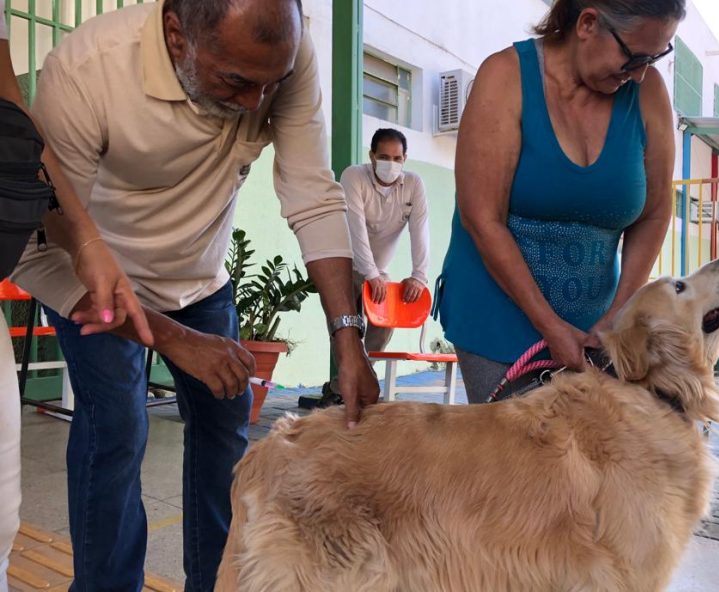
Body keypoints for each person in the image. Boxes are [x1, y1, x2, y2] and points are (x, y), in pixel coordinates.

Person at [11, 0, 380, 589]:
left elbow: (312, 194)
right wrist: (175, 339)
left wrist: (347, 337)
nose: (256, 104)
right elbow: (42, 251)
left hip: (202, 279)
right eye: (235, 82)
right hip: (98, 282)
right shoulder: (88, 72)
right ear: (177, 36)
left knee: (225, 434)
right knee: (116, 432)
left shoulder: (279, 56)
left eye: (271, 85)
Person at [436, 0, 680, 403]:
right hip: (497, 310)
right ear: (588, 23)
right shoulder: (505, 76)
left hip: (596, 322)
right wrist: (548, 324)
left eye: (654, 58)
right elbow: (482, 218)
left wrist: (616, 317)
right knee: (520, 458)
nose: (639, 74)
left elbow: (653, 214)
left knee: (589, 456)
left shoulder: (648, 90)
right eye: (633, 56)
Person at [0, 0, 153, 589]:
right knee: (117, 422)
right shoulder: (91, 63)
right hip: (65, 273)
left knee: (1, 518)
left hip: (104, 273)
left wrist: (86, 239)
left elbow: (10, 109)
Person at [341, 128, 430, 352]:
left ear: (405, 159)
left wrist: (419, 276)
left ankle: (365, 374)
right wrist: (371, 274)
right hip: (344, 262)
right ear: (371, 156)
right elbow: (356, 229)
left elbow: (420, 230)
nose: (391, 163)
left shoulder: (414, 184)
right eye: (383, 157)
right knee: (346, 328)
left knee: (384, 324)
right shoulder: (353, 176)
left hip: (378, 269)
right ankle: (348, 383)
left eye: (397, 158)